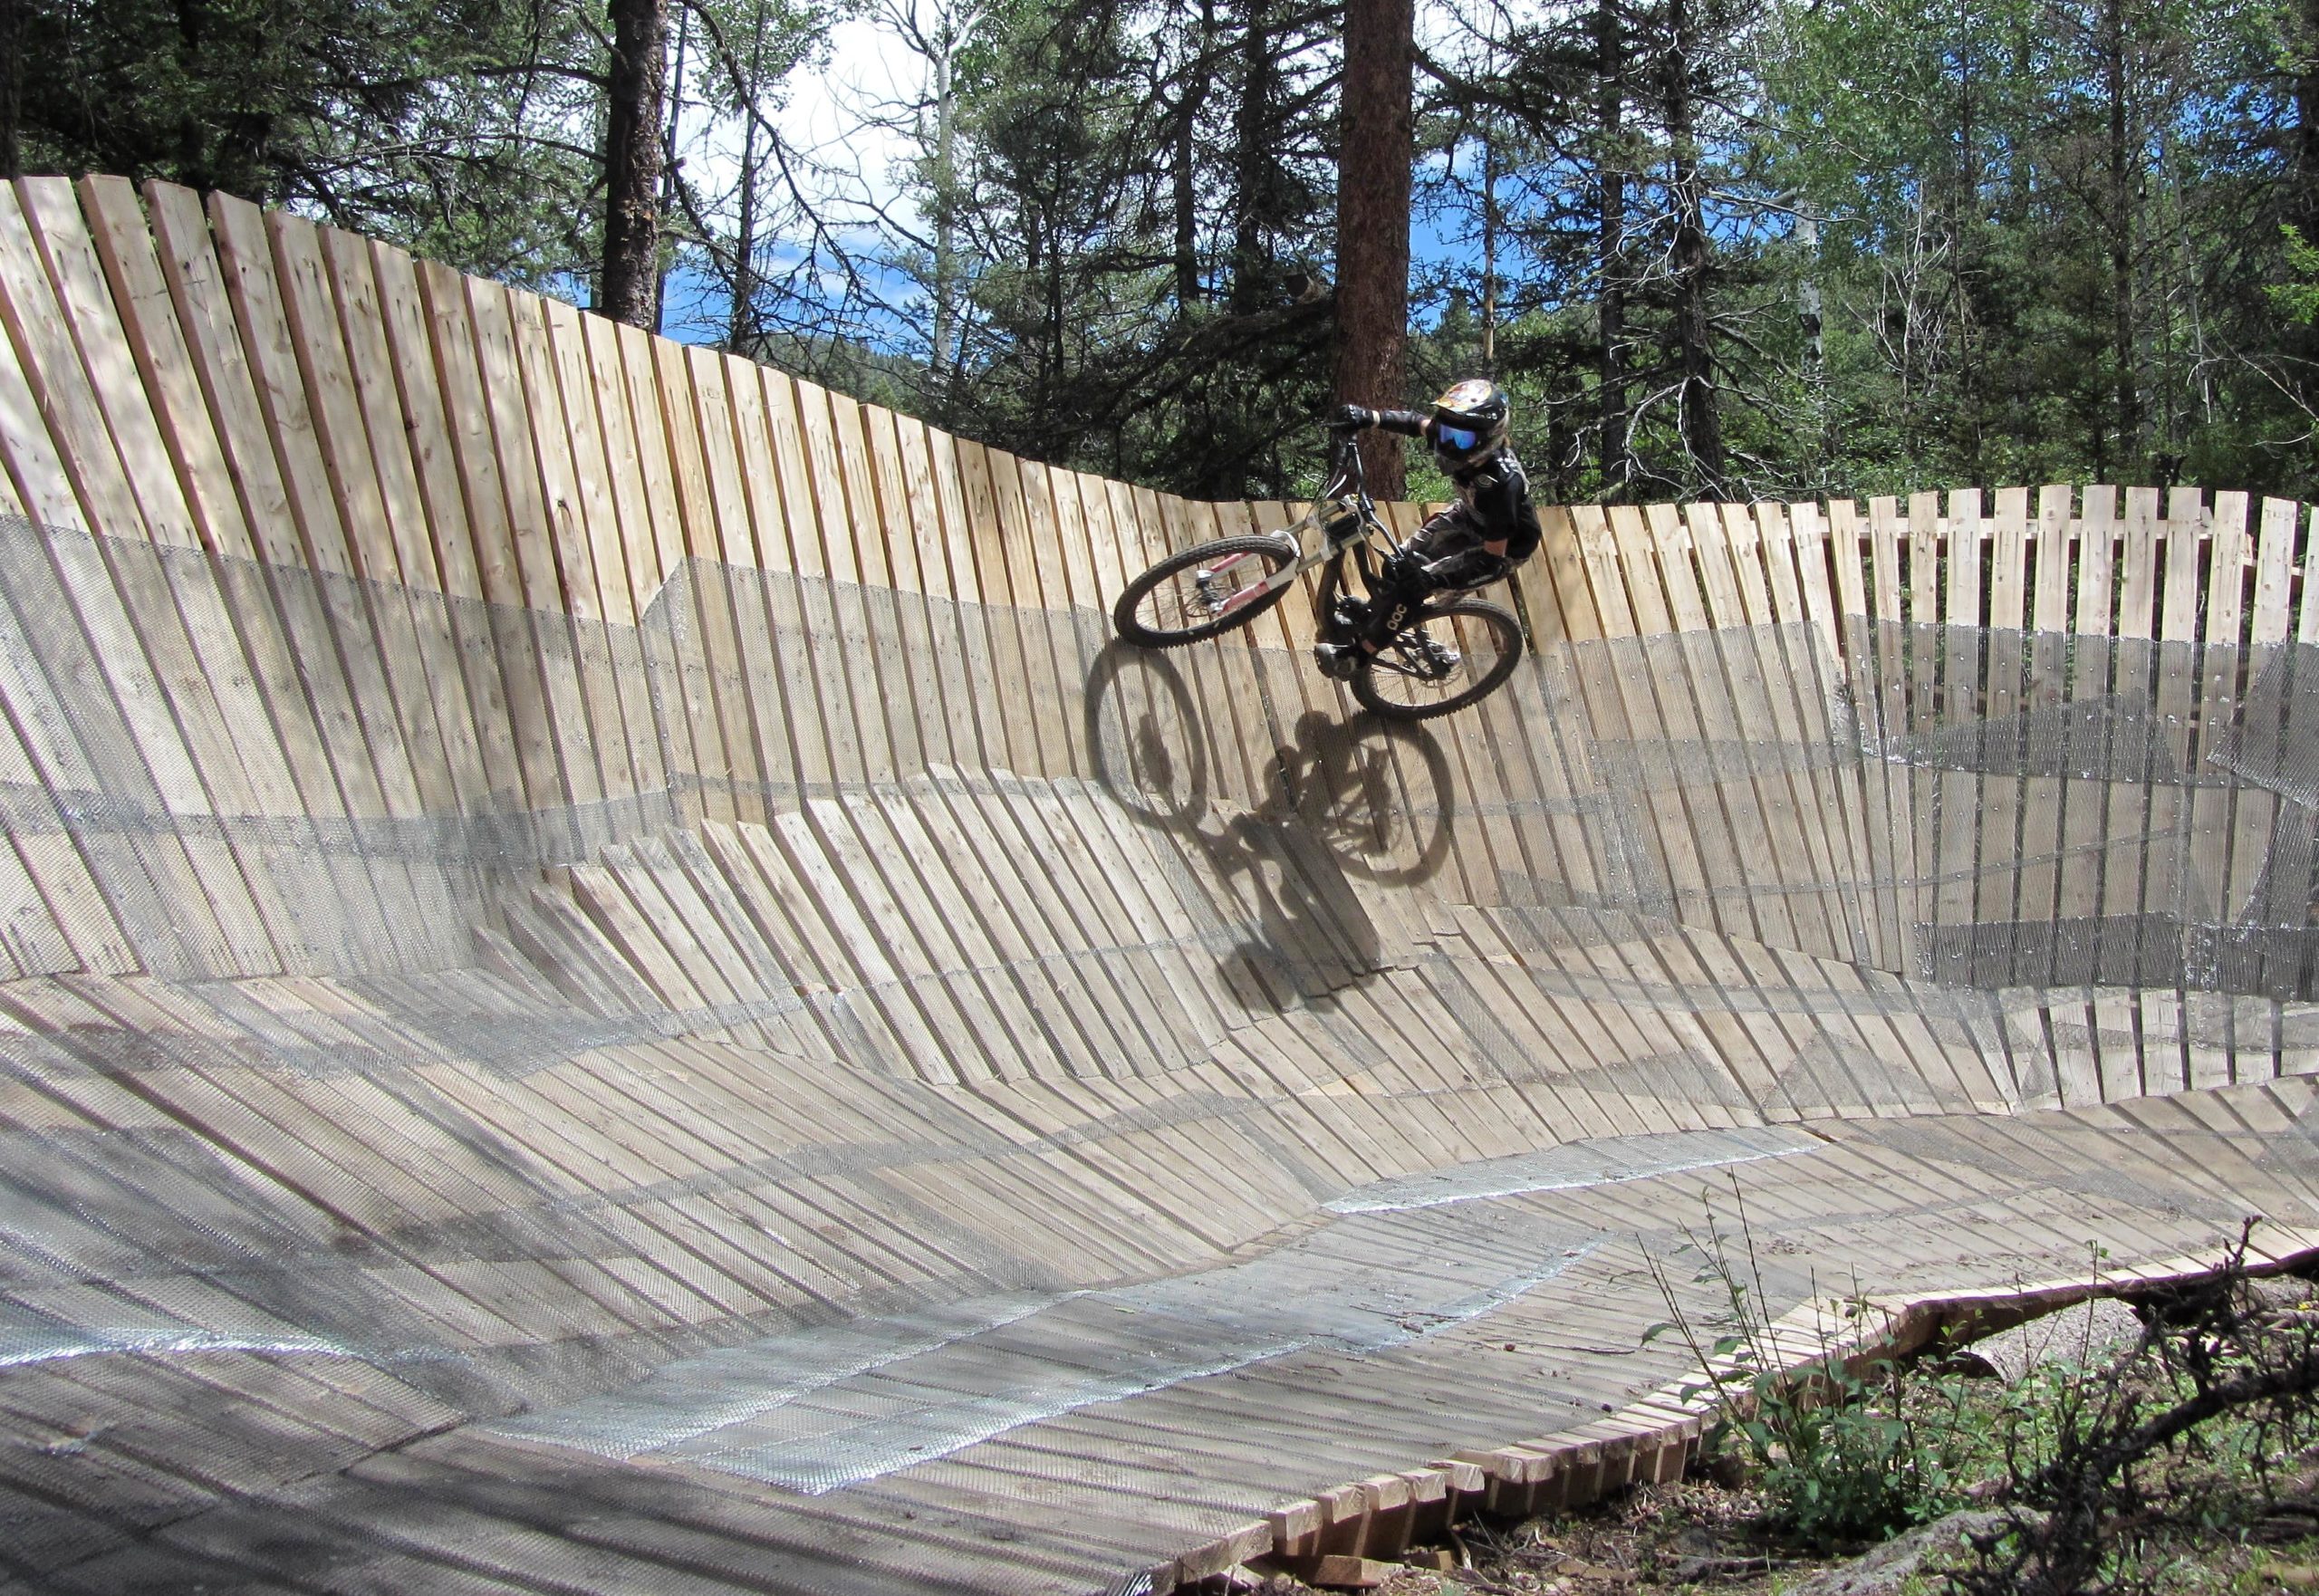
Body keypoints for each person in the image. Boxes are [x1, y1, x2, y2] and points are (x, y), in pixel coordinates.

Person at [1313, 379, 1540, 681]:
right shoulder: (1459, 433)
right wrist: (1368, 417)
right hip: (1468, 516)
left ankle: (1357, 656)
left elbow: (1490, 562)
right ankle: (1394, 623)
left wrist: (1433, 578)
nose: (1447, 444)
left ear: (1489, 437)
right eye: (1445, 433)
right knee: (1397, 564)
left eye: (1457, 440)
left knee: (1414, 586)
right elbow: (1413, 422)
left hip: (1501, 549)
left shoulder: (1501, 486)